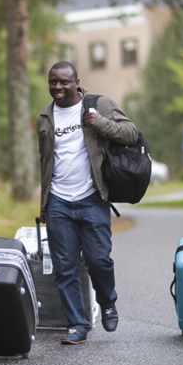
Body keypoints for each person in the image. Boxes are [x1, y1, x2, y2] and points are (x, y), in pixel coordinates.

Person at [36, 61, 139, 345]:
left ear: (76, 82)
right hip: (59, 201)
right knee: (64, 267)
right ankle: (76, 324)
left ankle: (107, 301)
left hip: (92, 198)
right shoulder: (44, 116)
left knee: (99, 260)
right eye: (53, 82)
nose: (58, 87)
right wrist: (44, 205)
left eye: (64, 82)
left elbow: (131, 133)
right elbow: (45, 164)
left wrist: (99, 122)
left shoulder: (99, 105)